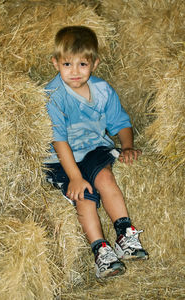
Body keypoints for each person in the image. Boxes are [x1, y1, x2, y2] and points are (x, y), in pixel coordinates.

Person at [44, 25, 148, 279]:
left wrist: (127, 146)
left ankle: (125, 234)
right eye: (67, 64)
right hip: (62, 157)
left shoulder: (102, 91)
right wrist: (76, 177)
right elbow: (59, 141)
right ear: (55, 63)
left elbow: (120, 123)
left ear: (95, 63)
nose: (75, 72)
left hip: (93, 148)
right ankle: (101, 250)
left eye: (83, 64)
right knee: (84, 195)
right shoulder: (53, 96)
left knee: (105, 178)